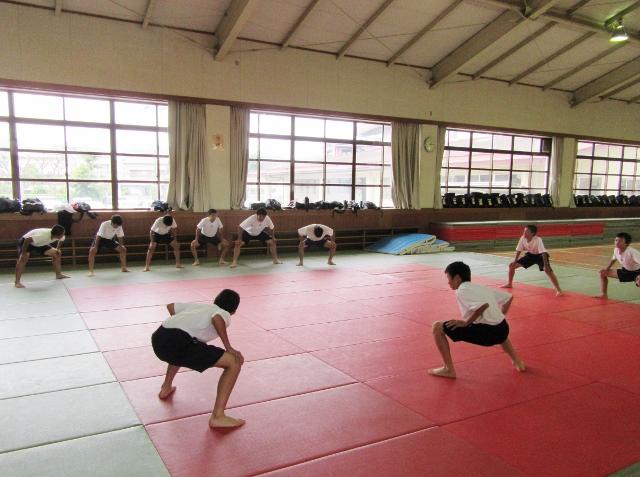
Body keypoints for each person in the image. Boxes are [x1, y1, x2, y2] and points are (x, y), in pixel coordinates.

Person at [151, 289, 245, 429]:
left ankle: (166, 387)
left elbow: (171, 306)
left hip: (159, 338)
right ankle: (218, 416)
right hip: (179, 342)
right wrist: (229, 347)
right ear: (234, 311)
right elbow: (217, 318)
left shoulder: (200, 307)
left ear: (215, 300)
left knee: (180, 350)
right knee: (234, 362)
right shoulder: (224, 313)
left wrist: (184, 325)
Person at [429, 261, 525, 379]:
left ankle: (448, 369)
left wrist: (465, 323)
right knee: (496, 322)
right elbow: (509, 297)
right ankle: (517, 362)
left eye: (449, 278)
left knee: (437, 327)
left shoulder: (462, 290)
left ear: (457, 278)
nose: (448, 282)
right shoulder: (479, 287)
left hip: (488, 335)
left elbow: (483, 306)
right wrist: (500, 315)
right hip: (503, 329)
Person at [502, 224, 562, 296]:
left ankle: (559, 290)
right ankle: (509, 283)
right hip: (530, 255)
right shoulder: (522, 238)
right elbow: (519, 250)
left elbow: (543, 252)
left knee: (548, 270)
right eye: (524, 231)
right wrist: (515, 261)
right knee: (512, 265)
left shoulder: (538, 239)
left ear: (532, 233)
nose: (524, 233)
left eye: (526, 231)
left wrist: (546, 266)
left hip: (540, 256)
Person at [599, 232, 640, 299]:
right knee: (602, 273)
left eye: (620, 241)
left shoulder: (632, 252)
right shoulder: (616, 250)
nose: (617, 242)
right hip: (625, 271)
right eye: (616, 240)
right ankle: (604, 295)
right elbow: (613, 259)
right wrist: (606, 269)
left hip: (637, 272)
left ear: (626, 243)